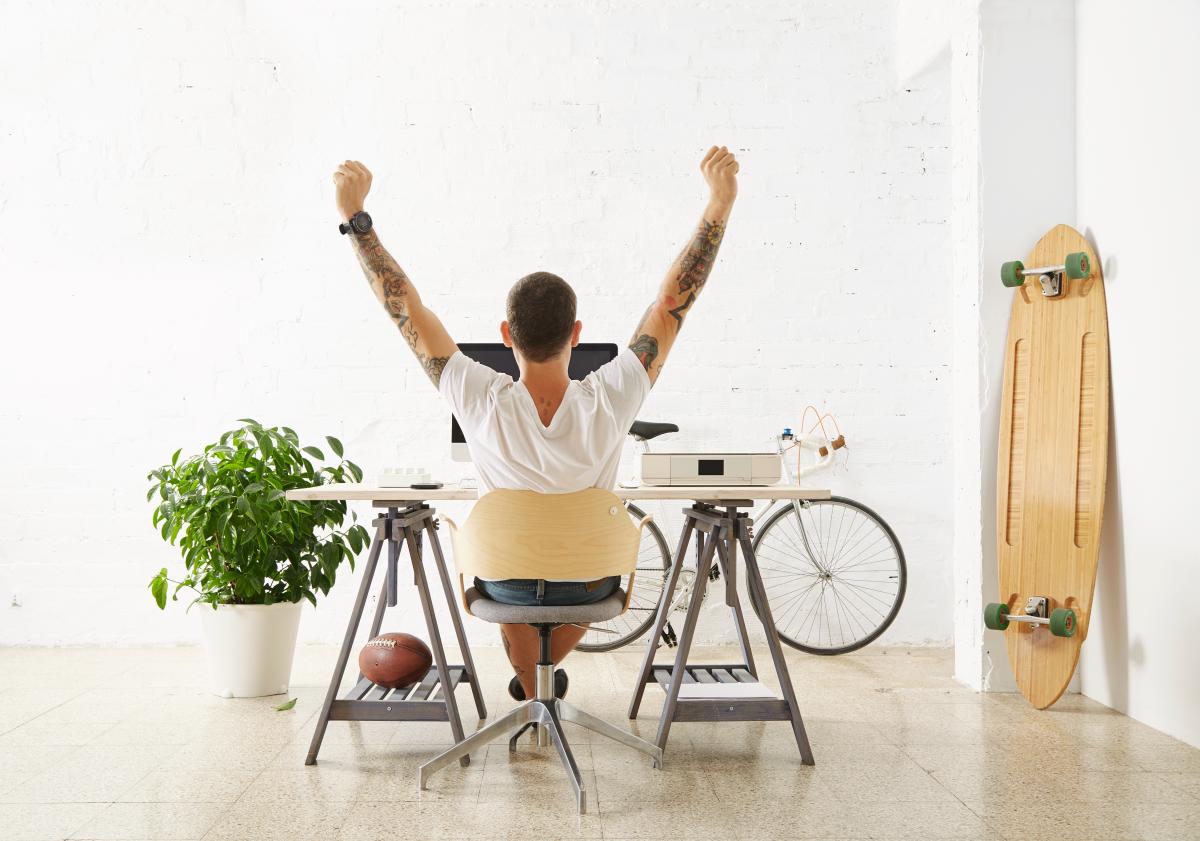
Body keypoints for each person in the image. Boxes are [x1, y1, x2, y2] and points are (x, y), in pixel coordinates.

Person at [332, 146, 739, 700]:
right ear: (576, 334)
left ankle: (531, 684)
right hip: (592, 577)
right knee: (574, 569)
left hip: (504, 580)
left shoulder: (478, 395)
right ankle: (539, 685)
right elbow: (672, 306)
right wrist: (720, 202)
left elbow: (404, 308)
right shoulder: (614, 394)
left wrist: (355, 218)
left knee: (511, 565)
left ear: (506, 335)